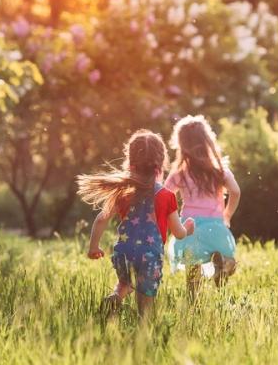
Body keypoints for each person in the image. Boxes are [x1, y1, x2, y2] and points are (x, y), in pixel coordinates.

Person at [80, 129, 195, 319]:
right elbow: (178, 233)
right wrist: (188, 229)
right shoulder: (167, 196)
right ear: (161, 163)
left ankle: (115, 298)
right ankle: (143, 327)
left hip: (123, 252)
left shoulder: (123, 192)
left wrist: (94, 247)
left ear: (130, 161)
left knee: (125, 284)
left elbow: (101, 219)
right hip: (150, 255)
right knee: (146, 299)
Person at [165, 115, 241, 298]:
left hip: (189, 228)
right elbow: (236, 191)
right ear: (208, 141)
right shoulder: (219, 172)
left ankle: (194, 304)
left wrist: (170, 221)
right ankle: (223, 265)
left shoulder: (180, 174)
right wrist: (227, 215)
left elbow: (165, 196)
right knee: (231, 262)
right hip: (215, 226)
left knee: (193, 271)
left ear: (181, 145)